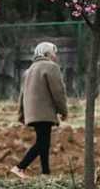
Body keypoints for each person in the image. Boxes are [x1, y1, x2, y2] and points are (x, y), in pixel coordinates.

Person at [11, 41, 68, 178]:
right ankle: (20, 167)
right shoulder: (51, 67)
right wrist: (63, 110)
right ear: (47, 53)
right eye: (54, 53)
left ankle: (45, 172)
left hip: (32, 113)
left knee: (43, 141)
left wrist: (21, 114)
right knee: (43, 142)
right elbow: (58, 92)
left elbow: (22, 94)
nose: (55, 56)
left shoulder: (29, 70)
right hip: (44, 112)